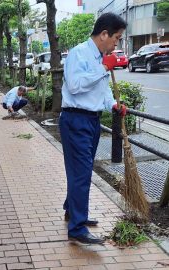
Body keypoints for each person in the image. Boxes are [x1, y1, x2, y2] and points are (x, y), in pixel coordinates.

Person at [59, 12, 127, 244]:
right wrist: (103, 68)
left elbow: (103, 90)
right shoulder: (79, 53)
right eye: (116, 37)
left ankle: (72, 210)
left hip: (91, 121)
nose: (116, 42)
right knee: (82, 173)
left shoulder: (100, 57)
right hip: (76, 119)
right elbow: (75, 86)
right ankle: (77, 228)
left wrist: (114, 104)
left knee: (81, 170)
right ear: (104, 34)